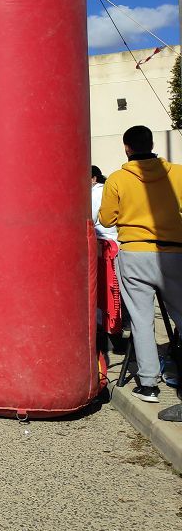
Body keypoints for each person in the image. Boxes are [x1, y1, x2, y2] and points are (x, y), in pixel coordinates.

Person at [98, 125, 182, 404]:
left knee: (141, 320)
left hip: (134, 252)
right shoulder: (178, 174)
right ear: (152, 143)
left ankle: (148, 385)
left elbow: (107, 219)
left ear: (127, 147)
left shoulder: (118, 179)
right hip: (173, 251)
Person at [90, 166, 116, 241]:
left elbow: (91, 217)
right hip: (113, 235)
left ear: (93, 179)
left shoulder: (96, 193)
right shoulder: (106, 189)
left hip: (103, 237)